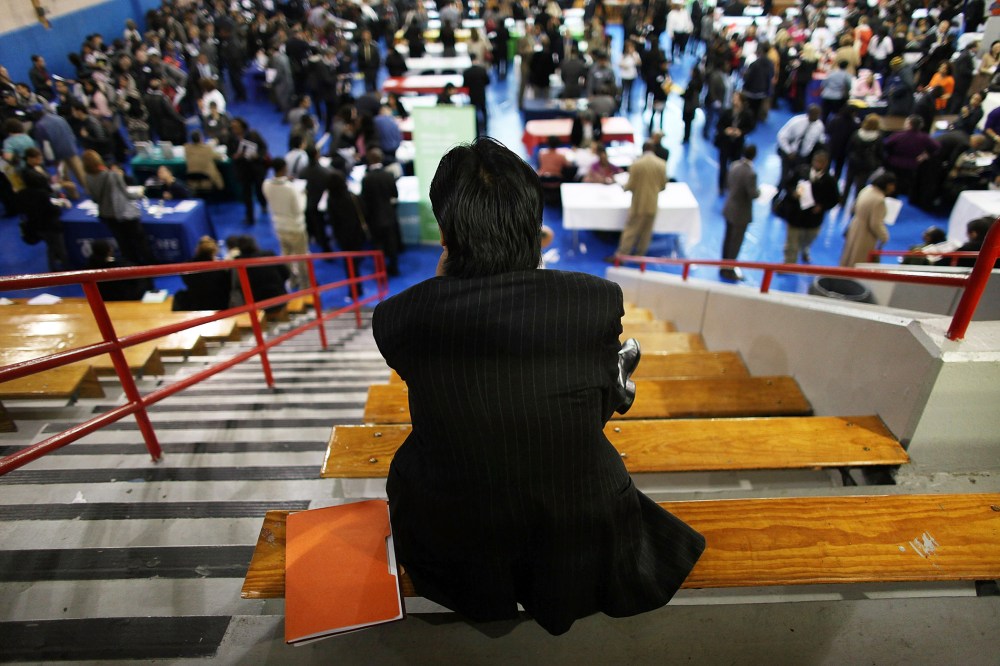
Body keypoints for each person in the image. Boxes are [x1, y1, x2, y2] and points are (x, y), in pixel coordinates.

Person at [372, 136, 704, 636]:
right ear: (536, 226)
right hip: (582, 529)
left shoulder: (399, 318)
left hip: (454, 530)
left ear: (445, 232)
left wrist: (448, 273)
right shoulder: (594, 300)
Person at [82, 149, 155, 266]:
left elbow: (95, 199)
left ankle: (131, 265)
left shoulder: (88, 178)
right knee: (139, 240)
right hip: (124, 214)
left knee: (123, 243)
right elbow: (127, 195)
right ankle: (149, 264)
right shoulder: (113, 175)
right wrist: (140, 193)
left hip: (107, 215)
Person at [780, 150, 840, 264]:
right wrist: (793, 193)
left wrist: (822, 206)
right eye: (815, 161)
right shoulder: (801, 171)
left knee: (808, 238)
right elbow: (788, 184)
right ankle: (789, 262)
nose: (817, 164)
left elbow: (835, 199)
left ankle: (805, 250)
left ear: (825, 164)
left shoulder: (830, 181)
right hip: (796, 214)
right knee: (792, 241)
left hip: (813, 218)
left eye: (820, 162)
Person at [262, 157, 309, 290]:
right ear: (284, 168)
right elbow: (299, 208)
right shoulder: (291, 189)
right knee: (302, 257)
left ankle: (292, 279)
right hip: (295, 227)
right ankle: (305, 285)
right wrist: (303, 195)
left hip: (279, 226)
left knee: (286, 255)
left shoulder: (266, 184)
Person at [615, 140, 668, 258]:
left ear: (643, 150)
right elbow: (663, 186)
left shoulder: (636, 164)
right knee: (646, 233)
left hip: (638, 204)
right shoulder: (662, 164)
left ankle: (622, 255)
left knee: (631, 230)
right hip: (653, 203)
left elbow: (630, 185)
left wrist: (623, 186)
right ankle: (640, 256)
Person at [18, 147, 68, 271]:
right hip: (49, 224)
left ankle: (54, 268)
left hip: (38, 224)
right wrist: (60, 204)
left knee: (51, 247)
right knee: (58, 248)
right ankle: (65, 270)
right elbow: (51, 208)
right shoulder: (42, 194)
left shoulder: (26, 193)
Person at [720, 144, 760, 280]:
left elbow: (728, 183)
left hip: (729, 207)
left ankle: (723, 265)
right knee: (735, 242)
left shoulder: (734, 165)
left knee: (727, 239)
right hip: (740, 213)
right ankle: (728, 270)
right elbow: (753, 194)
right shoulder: (751, 174)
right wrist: (760, 192)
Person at [840, 172, 896, 267]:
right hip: (865, 234)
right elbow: (875, 224)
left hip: (854, 227)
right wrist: (884, 236)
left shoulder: (867, 189)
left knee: (848, 257)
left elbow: (854, 208)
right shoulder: (879, 200)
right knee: (858, 261)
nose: (893, 188)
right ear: (887, 185)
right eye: (892, 185)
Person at [361, 147, 400, 276]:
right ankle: (394, 268)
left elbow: (364, 201)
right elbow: (395, 194)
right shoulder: (388, 175)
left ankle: (380, 270)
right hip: (389, 215)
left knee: (378, 244)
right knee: (391, 242)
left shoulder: (366, 179)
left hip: (374, 217)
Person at [227, 117, 269, 226]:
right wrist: (235, 156)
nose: (235, 129)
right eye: (233, 127)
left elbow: (263, 148)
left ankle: (263, 205)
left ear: (242, 126)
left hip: (256, 168)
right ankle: (250, 216)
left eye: (236, 127)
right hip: (243, 170)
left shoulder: (253, 135)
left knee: (260, 190)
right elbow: (229, 153)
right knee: (247, 194)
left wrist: (257, 155)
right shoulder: (231, 138)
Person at [172, 236, 231, 311]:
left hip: (194, 304)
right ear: (214, 252)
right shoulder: (220, 269)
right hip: (217, 304)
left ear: (197, 250)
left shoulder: (187, 267)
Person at [86, 238, 155, 301]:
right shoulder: (117, 264)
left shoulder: (89, 266)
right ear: (109, 250)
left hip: (102, 296)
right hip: (122, 296)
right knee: (144, 276)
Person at [775, 104, 826, 188]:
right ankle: (778, 193)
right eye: (814, 114)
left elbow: (821, 140)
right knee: (784, 177)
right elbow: (781, 136)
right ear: (808, 113)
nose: (816, 117)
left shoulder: (819, 126)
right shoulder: (796, 121)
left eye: (817, 115)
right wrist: (788, 151)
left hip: (803, 157)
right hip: (789, 154)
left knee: (797, 179)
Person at [715, 91, 754, 192]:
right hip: (725, 143)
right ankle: (721, 186)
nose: (734, 100)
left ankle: (730, 184)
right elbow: (719, 125)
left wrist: (741, 132)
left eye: (736, 98)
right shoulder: (727, 112)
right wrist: (725, 130)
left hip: (737, 145)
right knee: (723, 167)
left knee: (734, 167)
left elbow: (750, 127)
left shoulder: (747, 114)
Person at [463, 52, 491, 135]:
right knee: (483, 109)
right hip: (481, 94)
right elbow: (488, 81)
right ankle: (485, 127)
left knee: (473, 111)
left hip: (472, 95)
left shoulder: (466, 72)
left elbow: (465, 85)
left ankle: (475, 128)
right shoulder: (482, 70)